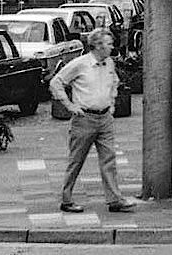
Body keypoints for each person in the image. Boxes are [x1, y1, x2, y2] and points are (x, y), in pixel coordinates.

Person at [49, 27, 135, 214]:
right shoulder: (80, 64)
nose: (112, 47)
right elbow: (56, 82)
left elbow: (115, 82)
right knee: (76, 160)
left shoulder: (109, 63)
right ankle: (66, 198)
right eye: (109, 44)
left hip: (104, 118)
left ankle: (114, 199)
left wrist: (111, 104)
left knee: (109, 159)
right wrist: (70, 105)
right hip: (84, 118)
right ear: (97, 45)